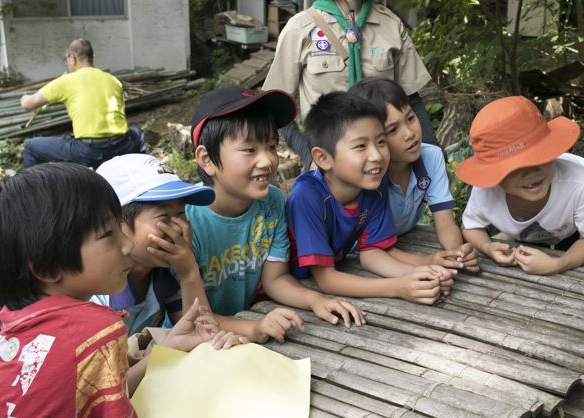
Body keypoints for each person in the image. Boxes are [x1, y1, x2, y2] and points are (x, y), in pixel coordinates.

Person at [0, 163, 243, 418]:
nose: (125, 246)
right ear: (47, 268)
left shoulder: (8, 315)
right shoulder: (96, 328)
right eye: (108, 235)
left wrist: (167, 350)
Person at [188, 85, 366, 343]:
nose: (267, 160)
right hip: (193, 341)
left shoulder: (271, 202)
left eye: (271, 146)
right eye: (250, 150)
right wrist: (253, 328)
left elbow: (275, 278)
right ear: (206, 159)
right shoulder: (186, 218)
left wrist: (315, 300)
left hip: (238, 333)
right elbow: (191, 316)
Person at [286, 91, 454, 304]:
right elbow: (326, 279)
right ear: (323, 158)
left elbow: (372, 253)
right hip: (284, 289)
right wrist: (398, 287)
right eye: (361, 146)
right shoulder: (307, 195)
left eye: (381, 142)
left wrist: (424, 274)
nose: (376, 156)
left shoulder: (372, 186)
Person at [263, 0, 438, 168]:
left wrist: (432, 155)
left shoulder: (391, 25)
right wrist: (309, 157)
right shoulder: (299, 28)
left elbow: (412, 99)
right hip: (329, 169)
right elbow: (276, 107)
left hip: (384, 163)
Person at [349, 77, 479, 272]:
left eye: (410, 118)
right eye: (393, 129)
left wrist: (456, 253)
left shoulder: (431, 157)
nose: (410, 133)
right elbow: (369, 246)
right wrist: (429, 261)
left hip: (399, 243)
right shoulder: (368, 177)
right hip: (353, 255)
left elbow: (444, 222)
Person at [93, 153, 230, 336]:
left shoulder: (166, 271)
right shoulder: (97, 295)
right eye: (164, 217)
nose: (178, 228)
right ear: (117, 225)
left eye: (181, 214)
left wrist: (189, 273)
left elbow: (199, 332)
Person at [457, 96, 584, 275]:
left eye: (540, 156)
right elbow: (470, 226)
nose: (530, 172)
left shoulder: (583, 183)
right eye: (514, 167)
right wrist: (487, 247)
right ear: (494, 175)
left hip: (579, 225)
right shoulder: (485, 191)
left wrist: (558, 264)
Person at [19, 38, 145, 168]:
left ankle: (30, 187)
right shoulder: (113, 80)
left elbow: (28, 104)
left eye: (67, 59)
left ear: (72, 58)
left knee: (31, 147)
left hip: (88, 150)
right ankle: (142, 174)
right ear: (92, 57)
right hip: (122, 145)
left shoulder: (66, 81)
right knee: (137, 133)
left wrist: (23, 97)